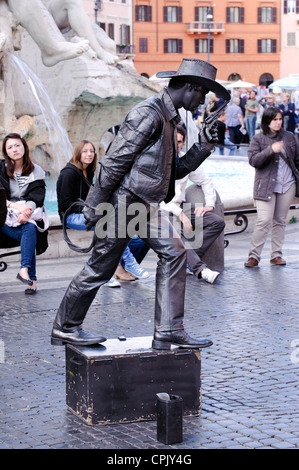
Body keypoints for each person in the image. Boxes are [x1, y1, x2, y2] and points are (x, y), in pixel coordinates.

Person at [50, 57, 230, 349]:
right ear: (189, 88)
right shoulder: (150, 113)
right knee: (99, 269)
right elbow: (113, 163)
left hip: (145, 206)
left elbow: (172, 173)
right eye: (202, 93)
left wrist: (204, 148)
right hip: (125, 206)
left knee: (175, 253)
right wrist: (93, 207)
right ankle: (65, 326)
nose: (203, 100)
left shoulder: (170, 117)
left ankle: (170, 328)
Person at [56, 139, 147, 285]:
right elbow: (66, 204)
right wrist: (92, 210)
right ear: (77, 153)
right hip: (71, 217)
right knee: (107, 226)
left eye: (92, 151)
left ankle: (109, 270)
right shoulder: (69, 173)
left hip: (89, 214)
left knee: (118, 231)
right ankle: (125, 264)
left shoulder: (88, 172)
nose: (89, 154)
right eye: (85, 151)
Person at [161, 125, 225, 284]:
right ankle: (200, 269)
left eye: (180, 141)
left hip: (180, 208)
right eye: (174, 141)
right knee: (178, 234)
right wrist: (181, 215)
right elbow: (159, 199)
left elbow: (205, 181)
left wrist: (209, 204)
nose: (177, 145)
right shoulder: (159, 162)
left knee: (217, 222)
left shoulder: (186, 160)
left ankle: (188, 259)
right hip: (163, 211)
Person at [244, 106, 299, 268]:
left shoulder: (290, 137)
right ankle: (254, 256)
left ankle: (276, 255)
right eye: (274, 119)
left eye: (280, 119)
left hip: (287, 184)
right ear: (267, 121)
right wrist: (270, 150)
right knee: (263, 220)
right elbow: (254, 161)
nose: (278, 122)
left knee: (280, 220)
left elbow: (297, 160)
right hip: (266, 186)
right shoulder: (258, 139)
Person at [2, 0, 118, 66]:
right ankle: (51, 49)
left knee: (109, 45)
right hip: (39, 12)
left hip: (54, 10)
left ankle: (98, 50)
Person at [0, 133, 46, 294]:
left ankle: (25, 271)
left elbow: (37, 196)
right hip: (2, 221)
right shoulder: (1, 169)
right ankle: (30, 278)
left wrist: (26, 212)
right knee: (29, 233)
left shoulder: (36, 170)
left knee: (30, 229)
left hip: (25, 219)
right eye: (10, 147)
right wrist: (16, 207)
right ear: (6, 152)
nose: (15, 149)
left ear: (24, 147)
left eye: (17, 145)